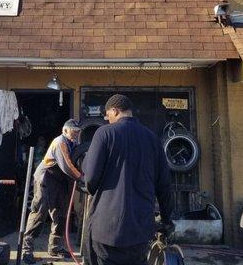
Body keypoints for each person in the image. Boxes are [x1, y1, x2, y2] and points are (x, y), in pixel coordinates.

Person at [83, 94, 174, 265]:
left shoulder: (104, 133)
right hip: (140, 230)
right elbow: (164, 187)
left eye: (107, 115)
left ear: (115, 111)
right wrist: (167, 220)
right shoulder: (153, 139)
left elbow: (90, 181)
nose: (106, 119)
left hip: (106, 230)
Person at [22, 119, 82, 264]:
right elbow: (67, 166)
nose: (75, 134)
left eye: (77, 132)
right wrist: (83, 178)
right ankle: (26, 250)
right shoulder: (59, 142)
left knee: (60, 213)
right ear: (65, 130)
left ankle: (55, 247)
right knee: (39, 213)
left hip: (59, 180)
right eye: (73, 131)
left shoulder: (74, 144)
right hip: (45, 178)